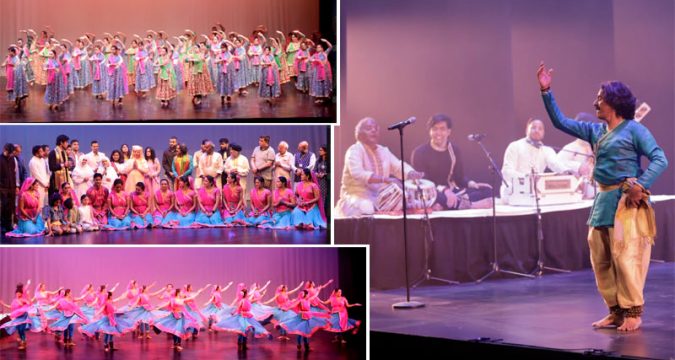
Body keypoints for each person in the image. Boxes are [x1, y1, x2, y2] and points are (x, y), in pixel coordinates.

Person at [537, 62, 668, 332]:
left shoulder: (634, 130)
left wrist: (640, 186)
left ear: (613, 103)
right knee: (602, 260)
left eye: (600, 98)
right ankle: (615, 310)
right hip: (603, 203)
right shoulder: (595, 131)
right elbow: (560, 121)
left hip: (627, 203)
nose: (595, 102)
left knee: (627, 257)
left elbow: (660, 158)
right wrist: (546, 90)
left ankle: (633, 312)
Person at [335, 117, 424, 218]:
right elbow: (358, 173)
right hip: (355, 196)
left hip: (379, 197)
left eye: (376, 128)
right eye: (369, 128)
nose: (373, 130)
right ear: (359, 133)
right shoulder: (354, 150)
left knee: (409, 201)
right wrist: (386, 179)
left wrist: (411, 173)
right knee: (367, 207)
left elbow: (397, 166)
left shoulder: (383, 151)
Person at [411, 114, 493, 210]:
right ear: (430, 131)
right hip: (432, 192)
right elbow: (424, 182)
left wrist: (473, 184)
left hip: (453, 192)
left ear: (448, 131)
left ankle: (450, 204)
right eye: (434, 129)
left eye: (442, 129)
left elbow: (459, 177)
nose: (438, 133)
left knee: (487, 191)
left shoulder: (454, 150)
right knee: (436, 197)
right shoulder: (419, 152)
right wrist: (444, 190)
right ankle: (471, 205)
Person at [500, 118, 571, 203]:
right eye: (533, 127)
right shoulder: (515, 146)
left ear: (543, 133)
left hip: (537, 192)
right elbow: (506, 172)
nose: (537, 130)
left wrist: (568, 172)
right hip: (514, 191)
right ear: (527, 130)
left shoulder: (547, 150)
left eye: (540, 128)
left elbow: (555, 164)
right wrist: (527, 178)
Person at [556, 113, 597, 199]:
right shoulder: (571, 147)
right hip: (577, 196)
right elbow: (556, 163)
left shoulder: (598, 147)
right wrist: (578, 166)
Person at [0, 143, 17, 234]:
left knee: (10, 207)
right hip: (3, 187)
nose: (10, 154)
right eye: (9, 152)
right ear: (5, 150)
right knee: (4, 207)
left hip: (12, 187)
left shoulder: (12, 159)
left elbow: (14, 173)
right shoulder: (0, 159)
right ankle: (3, 225)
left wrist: (15, 186)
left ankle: (9, 225)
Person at [28, 145, 50, 209]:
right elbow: (36, 175)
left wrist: (47, 182)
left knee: (45, 203)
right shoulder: (33, 162)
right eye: (41, 151)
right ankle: (38, 218)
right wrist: (45, 184)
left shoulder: (42, 160)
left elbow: (46, 172)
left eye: (42, 151)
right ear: (36, 153)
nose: (43, 152)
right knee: (38, 203)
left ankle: (43, 218)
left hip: (45, 185)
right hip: (38, 185)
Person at [315, 145, 329, 216]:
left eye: (321, 150)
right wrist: (317, 174)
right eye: (319, 150)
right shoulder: (318, 160)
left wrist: (324, 174)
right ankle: (317, 214)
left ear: (325, 152)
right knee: (317, 196)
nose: (319, 151)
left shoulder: (328, 161)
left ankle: (323, 214)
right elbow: (314, 170)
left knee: (323, 197)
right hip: (318, 181)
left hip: (325, 182)